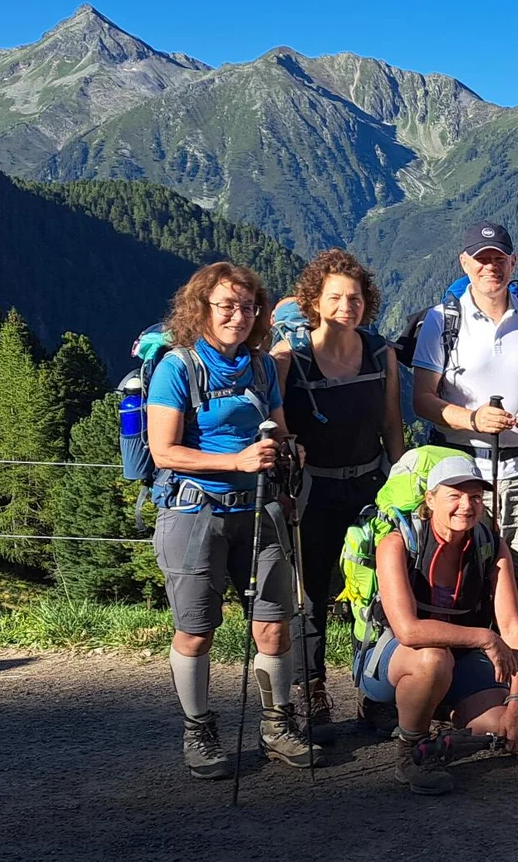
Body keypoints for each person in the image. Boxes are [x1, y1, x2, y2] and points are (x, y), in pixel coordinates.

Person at [146, 261, 322, 779]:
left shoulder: (262, 366)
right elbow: (164, 451)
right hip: (195, 509)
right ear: (201, 309)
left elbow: (279, 426)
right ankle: (198, 730)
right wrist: (236, 462)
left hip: (261, 507)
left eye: (248, 307)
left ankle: (276, 724)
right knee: (196, 631)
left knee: (273, 626)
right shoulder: (178, 368)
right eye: (227, 306)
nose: (239, 317)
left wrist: (289, 449)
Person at [411, 221, 518, 725]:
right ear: (464, 264)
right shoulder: (443, 321)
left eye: (498, 257)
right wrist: (473, 419)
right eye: (480, 258)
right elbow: (423, 400)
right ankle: (463, 677)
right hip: (462, 472)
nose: (490, 266)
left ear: (513, 262)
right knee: (459, 572)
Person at [271, 249, 405, 736]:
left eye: (355, 297)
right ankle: (312, 690)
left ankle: (376, 690)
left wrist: (400, 481)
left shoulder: (380, 353)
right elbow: (278, 427)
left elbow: (392, 422)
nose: (347, 305)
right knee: (309, 594)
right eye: (336, 297)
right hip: (312, 492)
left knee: (378, 595)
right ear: (315, 302)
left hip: (371, 486)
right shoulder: (289, 358)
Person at [357, 456, 518, 795]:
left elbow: (512, 628)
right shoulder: (396, 544)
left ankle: (438, 721)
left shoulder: (490, 546)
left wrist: (517, 704)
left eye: (476, 497)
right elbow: (407, 630)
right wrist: (483, 637)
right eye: (455, 495)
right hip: (393, 661)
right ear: (430, 499)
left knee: (501, 727)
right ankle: (411, 755)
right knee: (433, 658)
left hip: (459, 663)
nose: (466, 505)